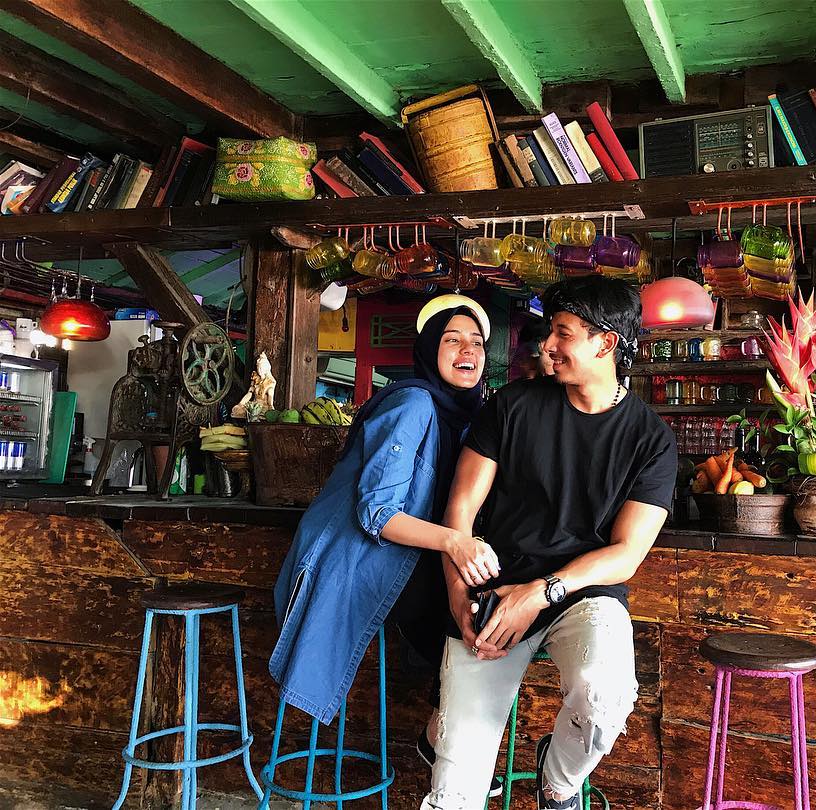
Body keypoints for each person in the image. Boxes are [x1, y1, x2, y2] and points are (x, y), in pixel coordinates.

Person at [420, 276, 677, 810]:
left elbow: (626, 554)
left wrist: (540, 593)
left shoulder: (651, 439)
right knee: (453, 798)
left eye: (563, 332)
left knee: (604, 699)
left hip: (582, 592)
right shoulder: (512, 405)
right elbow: (459, 512)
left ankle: (558, 783)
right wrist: (456, 596)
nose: (548, 345)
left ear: (606, 343)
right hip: (491, 587)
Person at [268, 295, 502, 786]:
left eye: (477, 342)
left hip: (405, 555)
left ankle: (446, 732)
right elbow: (377, 513)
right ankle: (446, 736)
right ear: (428, 349)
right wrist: (455, 543)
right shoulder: (413, 404)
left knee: (482, 605)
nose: (468, 350)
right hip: (356, 558)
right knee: (471, 615)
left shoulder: (471, 414)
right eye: (452, 340)